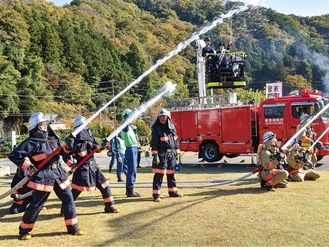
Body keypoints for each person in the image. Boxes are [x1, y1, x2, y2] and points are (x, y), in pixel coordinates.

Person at [8, 112, 83, 240]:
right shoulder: (31, 142)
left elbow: (64, 152)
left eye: (45, 124)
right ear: (36, 126)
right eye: (42, 124)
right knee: (37, 203)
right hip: (43, 175)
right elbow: (14, 155)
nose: (45, 126)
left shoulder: (54, 139)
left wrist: (69, 145)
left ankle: (73, 227)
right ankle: (24, 230)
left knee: (69, 199)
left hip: (59, 174)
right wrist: (28, 166)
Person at [63, 116, 120, 213]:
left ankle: (109, 206)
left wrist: (103, 145)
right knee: (76, 191)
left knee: (104, 185)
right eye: (85, 126)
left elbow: (96, 149)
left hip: (94, 167)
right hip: (82, 169)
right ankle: (65, 209)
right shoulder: (74, 143)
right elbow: (65, 156)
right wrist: (71, 165)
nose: (87, 128)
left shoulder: (90, 139)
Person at [150, 108, 183, 202]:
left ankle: (173, 192)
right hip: (161, 154)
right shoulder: (156, 129)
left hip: (171, 154)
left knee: (171, 174)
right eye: (160, 117)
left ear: (167, 118)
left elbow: (175, 141)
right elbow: (154, 143)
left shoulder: (172, 128)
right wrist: (155, 155)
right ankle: (156, 195)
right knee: (159, 175)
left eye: (164, 117)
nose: (162, 119)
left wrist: (177, 153)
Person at [121, 109, 141, 197]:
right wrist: (131, 114)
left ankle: (129, 189)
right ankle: (130, 190)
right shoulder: (124, 125)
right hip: (130, 149)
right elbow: (126, 121)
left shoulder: (128, 126)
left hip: (133, 148)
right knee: (132, 170)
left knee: (132, 170)